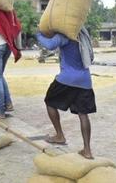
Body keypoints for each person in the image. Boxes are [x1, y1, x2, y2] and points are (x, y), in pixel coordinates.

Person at [36, 27, 95, 159]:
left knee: (49, 102)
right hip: (85, 80)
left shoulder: (65, 35)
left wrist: (39, 34)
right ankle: (87, 150)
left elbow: (50, 45)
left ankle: (59, 135)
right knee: (83, 114)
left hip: (67, 78)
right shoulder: (82, 34)